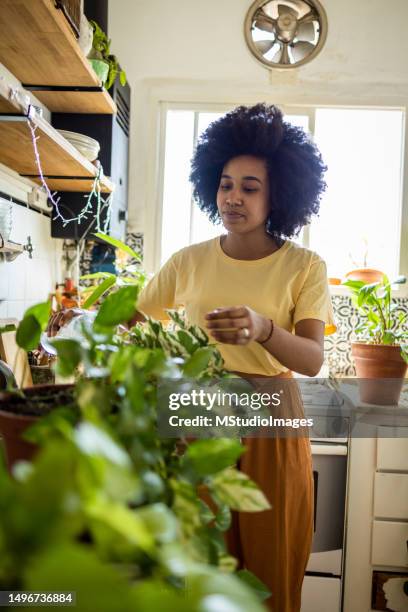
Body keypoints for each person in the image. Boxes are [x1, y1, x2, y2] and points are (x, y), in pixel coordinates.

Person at [49, 103, 335, 611]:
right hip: (195, 415)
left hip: (273, 420)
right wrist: (76, 323)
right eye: (226, 184)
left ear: (280, 194)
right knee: (196, 564)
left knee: (272, 565)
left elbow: (313, 359)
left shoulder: (304, 266)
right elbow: (130, 317)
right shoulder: (189, 261)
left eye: (251, 187)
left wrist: (264, 328)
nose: (234, 197)